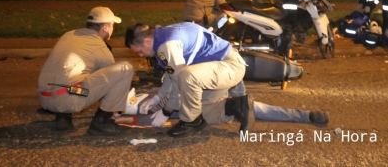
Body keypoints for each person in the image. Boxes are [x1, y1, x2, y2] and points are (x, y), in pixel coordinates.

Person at [125, 22, 254, 138]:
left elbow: (179, 79)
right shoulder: (164, 35)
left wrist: (166, 112)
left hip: (229, 67)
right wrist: (159, 97)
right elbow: (172, 72)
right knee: (191, 105)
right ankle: (237, 106)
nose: (141, 55)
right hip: (219, 70)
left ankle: (190, 121)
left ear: (147, 41)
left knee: (187, 79)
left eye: (140, 51)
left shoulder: (167, 46)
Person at [37, 6, 134, 135]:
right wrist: (116, 111)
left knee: (72, 75)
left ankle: (63, 118)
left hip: (44, 97)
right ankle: (101, 122)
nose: (113, 29)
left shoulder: (68, 35)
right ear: (105, 27)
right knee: (125, 69)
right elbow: (109, 87)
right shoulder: (101, 48)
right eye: (112, 25)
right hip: (65, 99)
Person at [114, 88, 330, 127]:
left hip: (211, 96)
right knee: (258, 109)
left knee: (259, 108)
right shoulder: (147, 111)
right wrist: (121, 119)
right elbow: (142, 121)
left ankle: (306, 116)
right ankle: (307, 116)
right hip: (212, 107)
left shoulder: (153, 94)